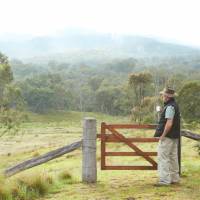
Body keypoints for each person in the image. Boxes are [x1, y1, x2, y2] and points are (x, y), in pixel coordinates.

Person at [154, 87, 181, 186]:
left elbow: (169, 123)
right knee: (173, 157)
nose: (162, 96)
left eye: (163, 95)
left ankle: (164, 181)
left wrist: (162, 135)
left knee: (163, 157)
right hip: (174, 136)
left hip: (168, 137)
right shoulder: (174, 105)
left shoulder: (169, 107)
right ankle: (175, 178)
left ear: (167, 96)